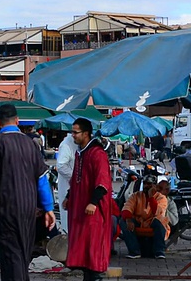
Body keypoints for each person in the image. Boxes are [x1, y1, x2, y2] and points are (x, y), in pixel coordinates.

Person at [0, 104, 55, 281]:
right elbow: (42, 179)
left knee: (11, 253)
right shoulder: (31, 143)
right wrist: (49, 208)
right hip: (29, 207)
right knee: (23, 250)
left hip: (5, 207)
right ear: (17, 121)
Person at [62, 117, 112, 281]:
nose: (73, 135)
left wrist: (93, 202)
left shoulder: (97, 154)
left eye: (75, 132)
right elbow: (78, 179)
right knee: (83, 249)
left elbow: (102, 181)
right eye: (72, 132)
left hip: (93, 210)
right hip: (80, 207)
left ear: (86, 133)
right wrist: (69, 196)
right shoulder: (80, 153)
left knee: (93, 247)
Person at [119, 174, 170, 259]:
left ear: (154, 185)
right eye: (145, 183)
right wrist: (128, 219)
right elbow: (127, 207)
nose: (146, 186)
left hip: (153, 221)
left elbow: (158, 212)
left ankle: (159, 251)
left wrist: (151, 197)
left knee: (161, 220)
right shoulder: (135, 195)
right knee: (123, 221)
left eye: (149, 184)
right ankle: (134, 251)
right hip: (140, 221)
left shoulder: (161, 198)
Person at [56, 132, 78, 234]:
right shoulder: (66, 144)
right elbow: (60, 166)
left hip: (76, 188)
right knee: (69, 222)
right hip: (68, 187)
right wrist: (75, 178)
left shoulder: (78, 144)